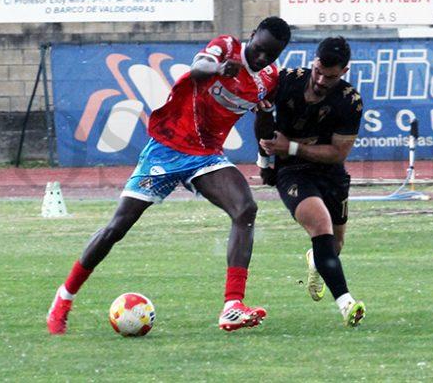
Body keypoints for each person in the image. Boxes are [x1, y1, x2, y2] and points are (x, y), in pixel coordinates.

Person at [47, 17, 291, 334]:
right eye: (259, 49)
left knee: (245, 209)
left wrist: (265, 160)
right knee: (116, 228)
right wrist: (220, 68)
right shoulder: (227, 47)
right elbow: (199, 67)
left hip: (205, 155)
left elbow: (264, 119)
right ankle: (64, 298)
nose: (261, 58)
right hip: (166, 148)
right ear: (252, 35)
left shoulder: (269, 78)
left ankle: (232, 305)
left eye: (271, 54)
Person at [256, 36, 365, 327]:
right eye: (317, 71)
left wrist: (290, 146)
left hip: (330, 173)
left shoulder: (350, 101)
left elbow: (338, 153)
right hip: (292, 172)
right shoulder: (287, 80)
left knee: (334, 245)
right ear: (313, 61)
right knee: (321, 225)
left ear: (344, 71)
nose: (320, 80)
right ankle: (347, 304)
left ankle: (316, 260)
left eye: (329, 76)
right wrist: (264, 163)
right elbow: (263, 121)